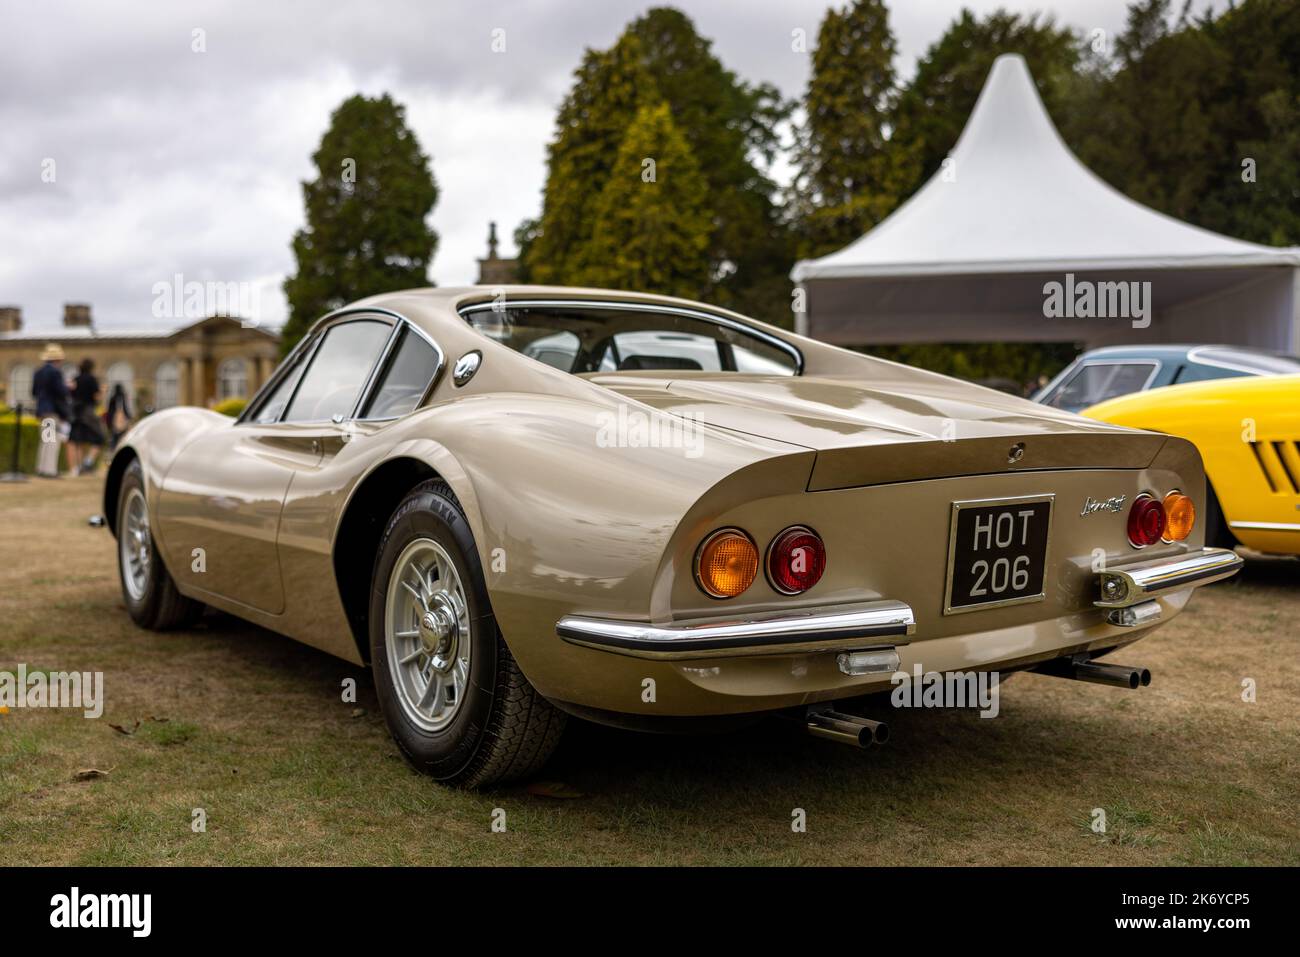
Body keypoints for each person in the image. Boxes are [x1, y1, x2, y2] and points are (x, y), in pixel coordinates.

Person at [30, 343, 71, 478]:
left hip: (42, 410)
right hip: (52, 410)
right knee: (52, 441)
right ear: (57, 359)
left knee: (46, 440)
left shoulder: (38, 372)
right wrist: (68, 387)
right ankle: (49, 470)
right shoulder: (55, 372)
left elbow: (34, 392)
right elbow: (61, 391)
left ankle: (42, 468)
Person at [67, 358, 105, 476]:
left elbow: (70, 394)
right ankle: (87, 462)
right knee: (100, 437)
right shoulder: (91, 379)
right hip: (87, 412)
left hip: (74, 412)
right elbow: (96, 396)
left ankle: (76, 469)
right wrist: (103, 391)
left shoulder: (75, 379)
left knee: (76, 440)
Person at [106, 383, 132, 451]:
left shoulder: (112, 398)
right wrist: (128, 416)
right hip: (120, 417)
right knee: (122, 432)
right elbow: (124, 408)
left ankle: (114, 447)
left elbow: (109, 410)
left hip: (115, 418)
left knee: (115, 433)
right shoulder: (121, 397)